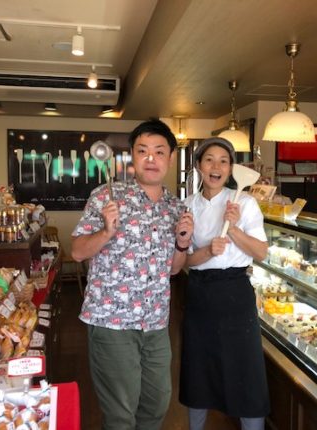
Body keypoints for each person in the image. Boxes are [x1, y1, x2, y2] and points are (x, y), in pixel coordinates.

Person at [71, 119, 194, 430]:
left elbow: (174, 268)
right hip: (112, 321)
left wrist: (182, 242)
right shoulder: (106, 197)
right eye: (143, 151)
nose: (151, 159)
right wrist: (105, 232)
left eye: (159, 151)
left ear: (170, 158)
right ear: (132, 156)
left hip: (155, 323)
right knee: (121, 413)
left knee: (157, 402)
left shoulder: (175, 207)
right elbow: (78, 252)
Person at [179, 137, 270, 430]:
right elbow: (184, 262)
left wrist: (235, 230)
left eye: (223, 161)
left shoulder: (245, 202)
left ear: (230, 169)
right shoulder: (187, 206)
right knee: (199, 371)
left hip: (235, 295)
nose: (216, 167)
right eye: (209, 160)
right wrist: (207, 251)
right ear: (198, 166)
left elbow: (261, 253)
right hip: (200, 294)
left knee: (246, 372)